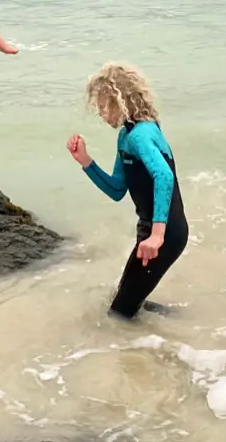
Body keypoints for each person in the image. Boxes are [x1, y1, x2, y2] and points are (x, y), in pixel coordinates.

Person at [67, 63, 189, 319]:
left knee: (120, 313)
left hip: (165, 233)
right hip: (154, 230)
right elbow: (117, 189)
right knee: (126, 300)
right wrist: (86, 162)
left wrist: (157, 236)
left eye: (102, 107)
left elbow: (164, 176)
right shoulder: (127, 135)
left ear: (120, 101)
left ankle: (152, 347)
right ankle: (177, 325)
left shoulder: (141, 135)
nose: (100, 114)